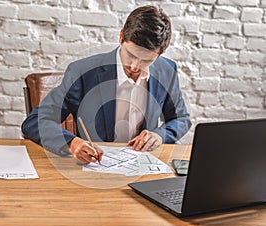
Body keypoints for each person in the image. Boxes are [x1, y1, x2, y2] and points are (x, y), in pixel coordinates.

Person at [21, 5, 191, 164]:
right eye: (130, 55)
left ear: (160, 53)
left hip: (142, 168)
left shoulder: (167, 71)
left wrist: (160, 135)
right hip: (96, 168)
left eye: (146, 60)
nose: (134, 67)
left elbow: (181, 119)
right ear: (121, 36)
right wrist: (71, 143)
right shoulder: (83, 72)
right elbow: (35, 121)